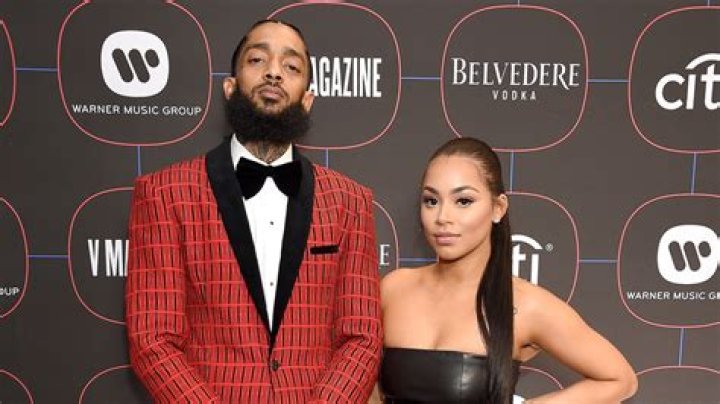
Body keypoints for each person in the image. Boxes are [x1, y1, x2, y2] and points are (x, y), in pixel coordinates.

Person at [125, 19, 382, 403]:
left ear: (307, 99)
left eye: (291, 66)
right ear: (230, 88)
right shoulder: (164, 194)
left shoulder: (351, 202)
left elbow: (361, 337)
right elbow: (153, 339)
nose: (274, 72)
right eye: (257, 59)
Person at [379, 138, 637, 403]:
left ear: (497, 208)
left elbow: (619, 379)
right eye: (431, 201)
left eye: (463, 201)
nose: (442, 217)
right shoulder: (394, 289)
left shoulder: (526, 305)